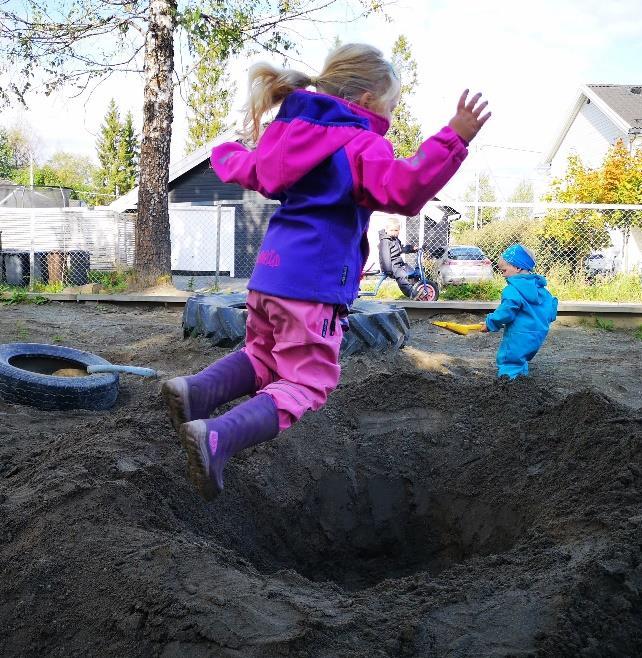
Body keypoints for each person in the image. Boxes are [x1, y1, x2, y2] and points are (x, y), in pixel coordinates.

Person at [162, 43, 491, 500]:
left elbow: (247, 166)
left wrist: (226, 153)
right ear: (369, 100)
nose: (392, 117)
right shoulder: (360, 144)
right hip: (312, 286)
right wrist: (453, 138)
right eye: (393, 106)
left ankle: (195, 392)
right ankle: (216, 438)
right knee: (307, 380)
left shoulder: (288, 135)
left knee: (263, 357)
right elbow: (404, 189)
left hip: (268, 277)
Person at [481, 244, 558, 379]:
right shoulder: (541, 289)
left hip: (519, 334)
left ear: (517, 268)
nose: (502, 275)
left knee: (509, 360)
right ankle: (522, 385)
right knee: (520, 360)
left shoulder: (513, 289)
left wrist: (490, 323)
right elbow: (551, 309)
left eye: (504, 271)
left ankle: (508, 389)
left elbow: (506, 311)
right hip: (538, 335)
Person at [378, 217, 419, 298]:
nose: (394, 232)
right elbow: (385, 256)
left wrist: (411, 249)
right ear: (386, 230)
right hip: (391, 266)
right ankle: (411, 293)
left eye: (396, 230)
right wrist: (388, 270)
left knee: (411, 271)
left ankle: (415, 286)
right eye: (391, 230)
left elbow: (401, 249)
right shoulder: (385, 241)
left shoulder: (395, 240)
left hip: (399, 264)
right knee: (401, 276)